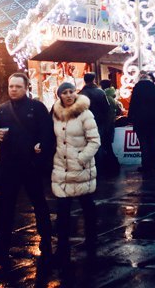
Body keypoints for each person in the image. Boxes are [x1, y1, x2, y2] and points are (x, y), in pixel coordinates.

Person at [0, 72, 55, 264]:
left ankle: (46, 237)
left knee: (38, 202)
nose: (14, 90)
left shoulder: (37, 108)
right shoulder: (2, 109)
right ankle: (1, 245)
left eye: (18, 86)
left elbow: (47, 133)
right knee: (5, 206)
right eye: (11, 86)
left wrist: (41, 147)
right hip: (9, 165)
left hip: (30, 165)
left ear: (26, 88)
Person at [50, 82, 100, 264]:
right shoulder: (55, 114)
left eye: (71, 91)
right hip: (61, 170)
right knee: (62, 211)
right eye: (65, 92)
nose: (69, 95)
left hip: (80, 169)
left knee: (87, 206)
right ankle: (62, 247)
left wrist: (81, 159)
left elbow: (95, 140)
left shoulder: (85, 113)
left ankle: (91, 238)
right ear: (60, 95)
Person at [127, 72, 155, 179]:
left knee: (143, 143)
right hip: (154, 120)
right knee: (153, 140)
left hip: (141, 120)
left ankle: (146, 164)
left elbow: (133, 104)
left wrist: (130, 117)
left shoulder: (137, 88)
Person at [78, 72, 114, 173]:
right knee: (98, 144)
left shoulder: (81, 94)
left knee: (89, 144)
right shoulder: (100, 92)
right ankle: (100, 167)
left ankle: (92, 166)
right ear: (94, 80)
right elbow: (107, 109)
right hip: (100, 122)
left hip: (86, 122)